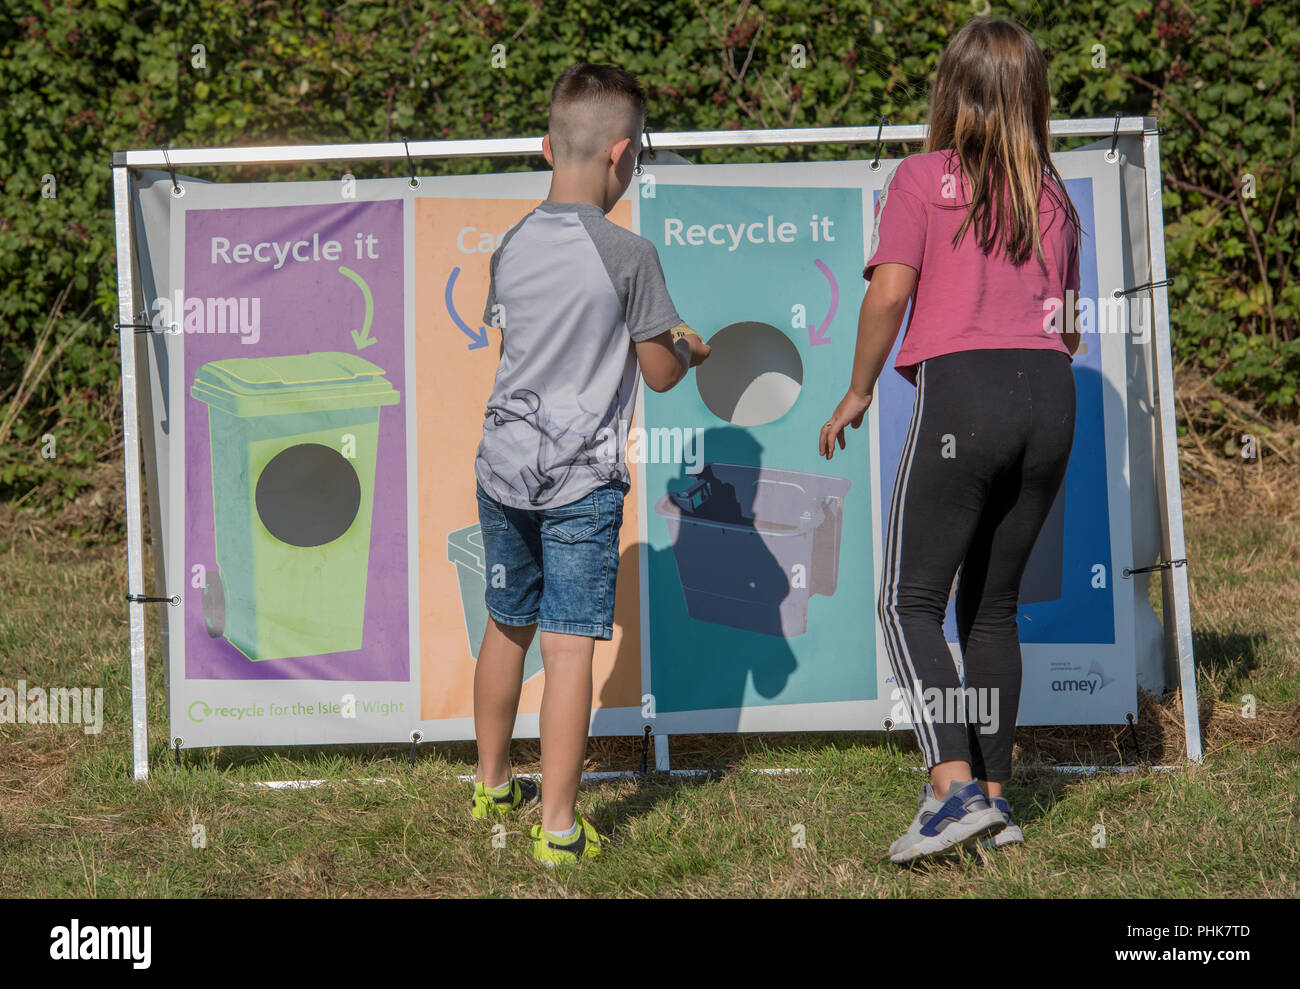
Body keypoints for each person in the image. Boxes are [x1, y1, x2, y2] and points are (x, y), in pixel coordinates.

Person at [818, 16, 1083, 864]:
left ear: (949, 92)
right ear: (1032, 97)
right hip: (1050, 395)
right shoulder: (1055, 194)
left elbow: (887, 297)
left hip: (962, 396)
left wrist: (859, 388)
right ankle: (999, 803)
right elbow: (1068, 327)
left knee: (909, 598)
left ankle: (951, 789)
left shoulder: (922, 178)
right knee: (994, 606)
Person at [470, 62, 710, 865]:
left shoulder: (509, 245)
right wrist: (688, 344)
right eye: (637, 154)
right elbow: (660, 371)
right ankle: (561, 828)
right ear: (621, 154)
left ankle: (491, 781)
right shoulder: (628, 253)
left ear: (547, 148)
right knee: (569, 647)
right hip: (579, 482)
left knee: (507, 625)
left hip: (501, 470)